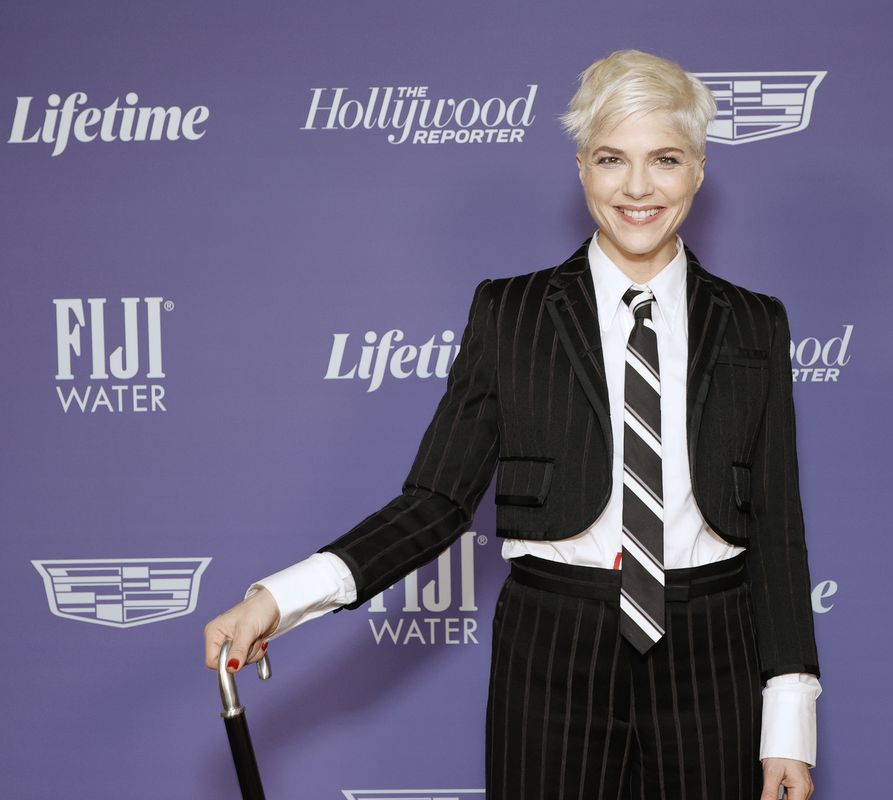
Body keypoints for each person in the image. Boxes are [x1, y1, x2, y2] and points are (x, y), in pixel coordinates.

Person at [205, 49, 822, 800]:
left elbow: (779, 531)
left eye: (664, 159)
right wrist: (279, 598)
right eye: (610, 159)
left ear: (698, 169)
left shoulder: (757, 322)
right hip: (552, 650)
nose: (637, 187)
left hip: (714, 653)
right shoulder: (511, 313)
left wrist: (789, 720)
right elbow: (433, 502)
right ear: (581, 169)